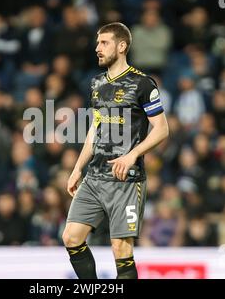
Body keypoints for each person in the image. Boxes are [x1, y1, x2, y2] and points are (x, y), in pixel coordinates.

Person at [62, 22, 169, 279]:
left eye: (104, 42)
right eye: (97, 42)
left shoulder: (142, 84)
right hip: (94, 177)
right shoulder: (97, 83)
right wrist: (78, 168)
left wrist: (132, 155)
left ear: (122, 47)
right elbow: (95, 128)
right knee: (71, 237)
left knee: (120, 248)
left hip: (125, 180)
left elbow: (162, 129)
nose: (97, 48)